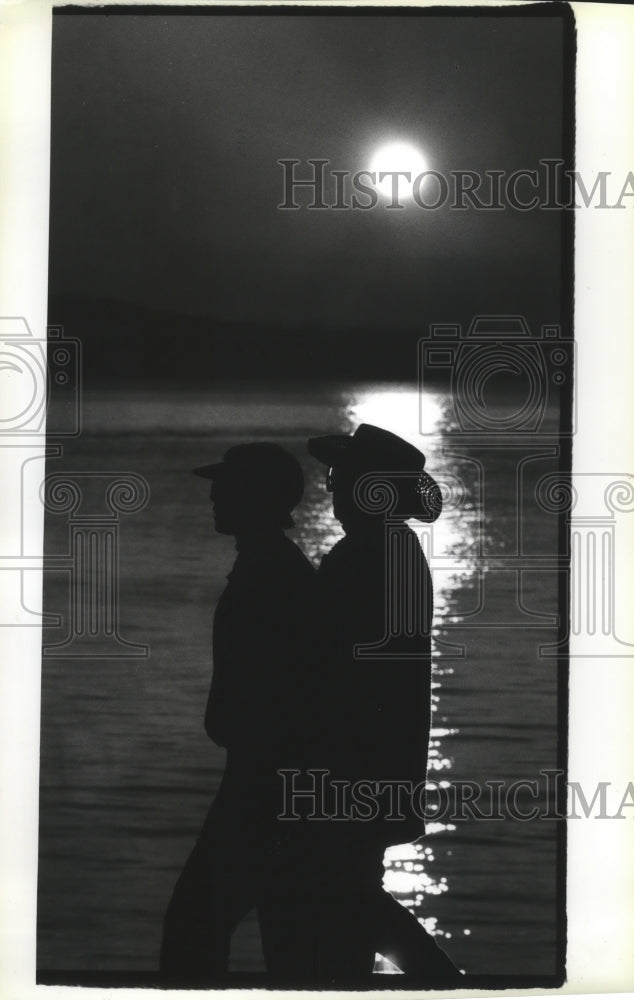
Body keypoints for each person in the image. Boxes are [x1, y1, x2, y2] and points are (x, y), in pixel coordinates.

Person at [282, 423, 462, 985]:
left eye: (343, 479)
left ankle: (444, 984)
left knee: (347, 896)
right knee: (349, 899)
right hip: (376, 763)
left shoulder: (369, 555)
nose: (332, 490)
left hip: (355, 764)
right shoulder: (390, 550)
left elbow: (339, 671)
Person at [159, 442, 317, 986]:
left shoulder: (271, 571)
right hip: (262, 778)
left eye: (225, 486)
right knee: (278, 937)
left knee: (193, 926)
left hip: (261, 782)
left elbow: (282, 688)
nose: (213, 495)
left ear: (256, 496)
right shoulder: (267, 564)